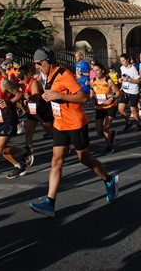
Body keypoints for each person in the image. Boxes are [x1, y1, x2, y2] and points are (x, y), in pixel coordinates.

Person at [28, 47, 119, 216]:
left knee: (84, 158)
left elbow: (83, 98)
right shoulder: (46, 75)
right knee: (56, 161)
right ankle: (50, 202)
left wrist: (58, 96)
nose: (38, 67)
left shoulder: (65, 75)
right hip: (60, 124)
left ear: (47, 61)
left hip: (76, 124)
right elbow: (50, 94)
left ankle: (108, 179)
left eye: (39, 63)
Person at [18, 64, 54, 166]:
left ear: (28, 74)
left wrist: (28, 97)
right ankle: (28, 152)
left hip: (41, 110)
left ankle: (63, 144)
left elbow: (37, 97)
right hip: (32, 112)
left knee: (50, 131)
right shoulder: (26, 83)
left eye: (22, 77)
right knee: (28, 132)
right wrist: (26, 100)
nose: (21, 79)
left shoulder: (34, 83)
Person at [89, 61, 120, 154]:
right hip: (100, 107)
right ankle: (110, 136)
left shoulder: (108, 81)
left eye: (97, 70)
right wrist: (91, 100)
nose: (95, 72)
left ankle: (109, 146)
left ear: (102, 70)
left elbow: (118, 93)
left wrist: (112, 98)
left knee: (105, 128)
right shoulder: (92, 81)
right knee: (99, 131)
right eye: (94, 71)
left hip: (110, 106)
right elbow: (91, 94)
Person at [118, 54, 141, 132]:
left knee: (133, 109)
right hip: (125, 90)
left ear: (128, 60)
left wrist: (129, 80)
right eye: (121, 61)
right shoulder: (122, 68)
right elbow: (123, 76)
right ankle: (129, 122)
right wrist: (121, 80)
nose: (122, 63)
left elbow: (138, 81)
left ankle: (138, 124)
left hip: (133, 91)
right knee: (120, 109)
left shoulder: (133, 69)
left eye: (123, 61)